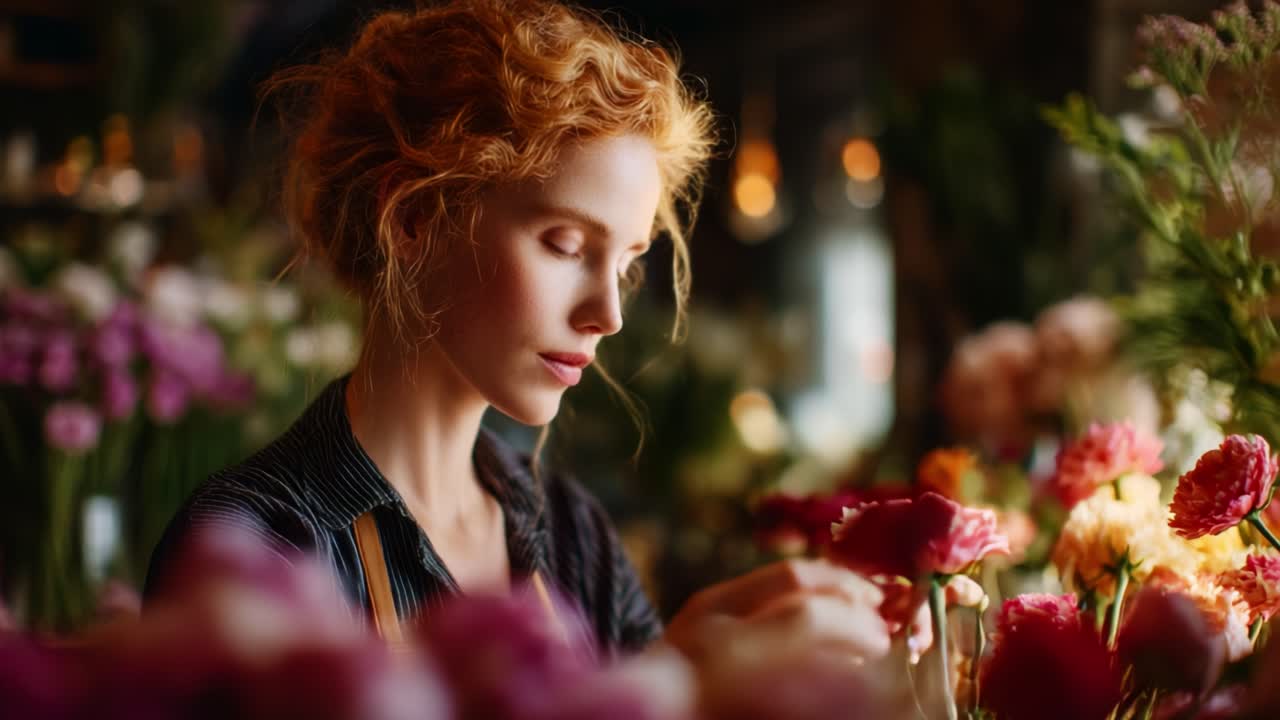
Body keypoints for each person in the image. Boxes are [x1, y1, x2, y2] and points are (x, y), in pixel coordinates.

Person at [145, 0, 888, 664]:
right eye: (565, 245)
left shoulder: (572, 535)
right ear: (413, 221)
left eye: (624, 263)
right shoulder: (256, 546)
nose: (610, 314)